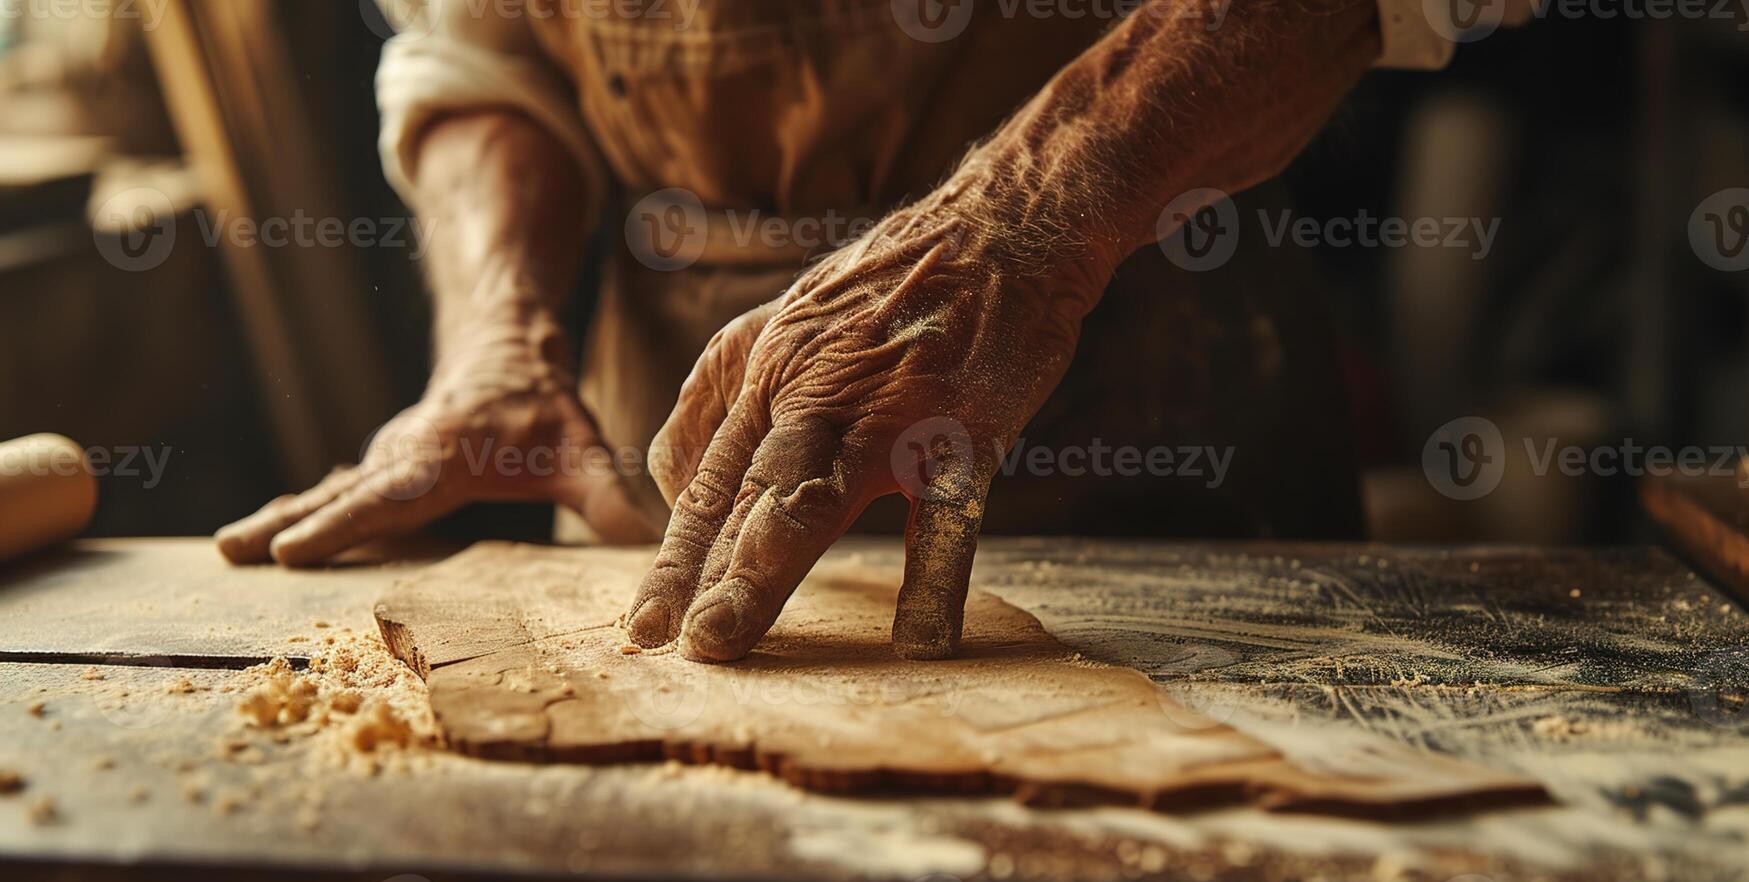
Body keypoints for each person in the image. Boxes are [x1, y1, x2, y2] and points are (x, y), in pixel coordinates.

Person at [217, 0, 1512, 662]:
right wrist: (498, 340)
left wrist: (1027, 212)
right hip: (668, 452)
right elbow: (478, 53)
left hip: (1145, 374)